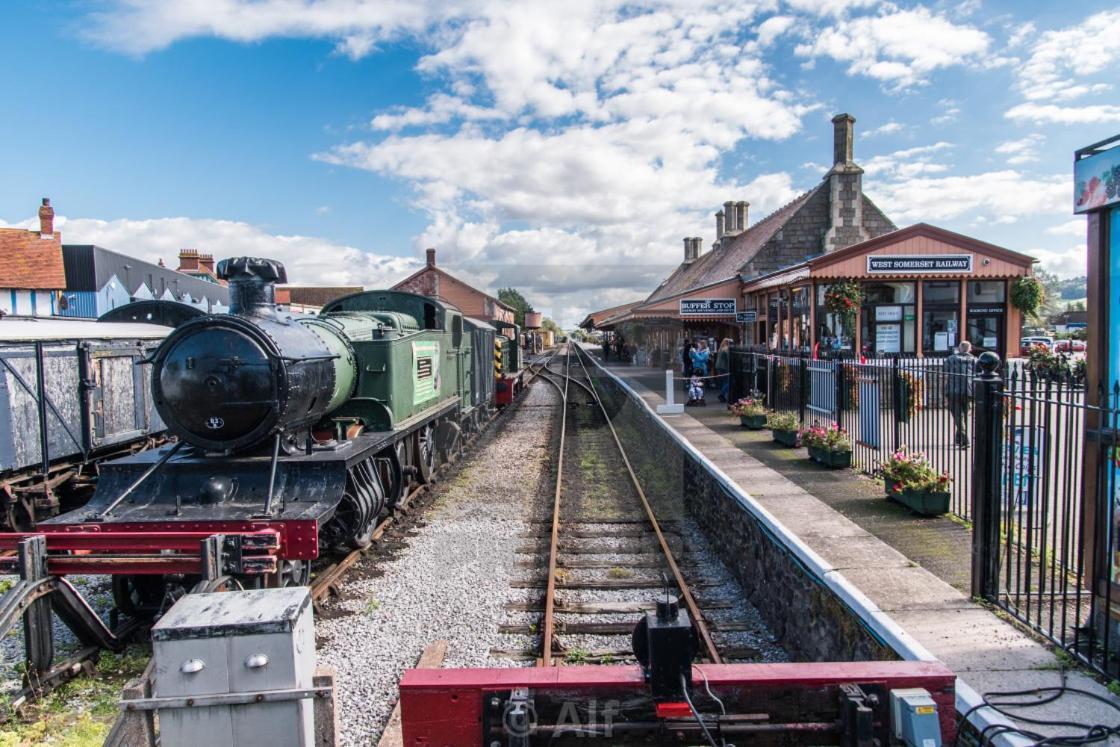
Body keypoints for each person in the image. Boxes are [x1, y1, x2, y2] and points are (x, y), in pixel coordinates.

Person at [944, 341, 978, 448]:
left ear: (959, 349)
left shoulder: (951, 359)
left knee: (959, 416)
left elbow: (945, 370)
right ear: (970, 349)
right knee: (963, 415)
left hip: (953, 391)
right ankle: (958, 438)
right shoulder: (975, 360)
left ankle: (964, 439)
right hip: (968, 391)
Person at [715, 338, 731, 402]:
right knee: (728, 382)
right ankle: (722, 394)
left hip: (719, 366)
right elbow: (728, 358)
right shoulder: (726, 349)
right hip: (724, 367)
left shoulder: (721, 348)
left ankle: (724, 395)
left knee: (724, 381)